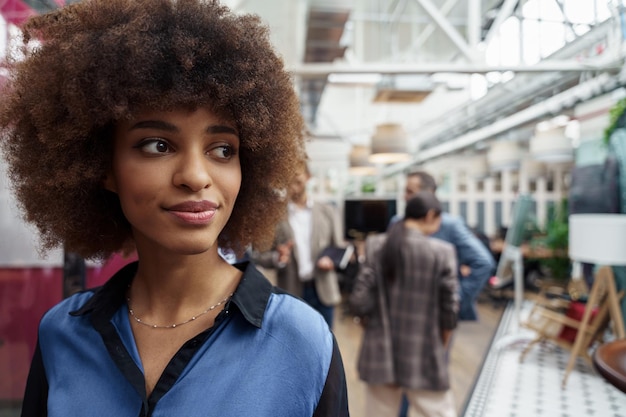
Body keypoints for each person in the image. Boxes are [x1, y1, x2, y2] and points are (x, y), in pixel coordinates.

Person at [0, 1, 349, 416]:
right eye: (157, 145)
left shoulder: (303, 342)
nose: (195, 176)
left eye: (222, 149)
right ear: (102, 167)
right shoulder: (62, 333)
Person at [349, 191, 459, 417]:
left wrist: (370, 327)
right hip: (424, 352)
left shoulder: (375, 245)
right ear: (430, 215)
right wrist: (442, 343)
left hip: (381, 353)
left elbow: (359, 301)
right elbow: (450, 311)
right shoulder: (441, 252)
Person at [252, 162, 345, 328]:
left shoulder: (328, 211)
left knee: (326, 346)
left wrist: (332, 260)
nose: (293, 179)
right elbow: (259, 255)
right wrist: (277, 257)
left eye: (297, 174)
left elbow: (338, 247)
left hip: (323, 290)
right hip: (292, 291)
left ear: (308, 176)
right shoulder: (274, 216)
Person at [401, 171, 495, 321]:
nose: (404, 196)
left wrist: (457, 299)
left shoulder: (449, 225)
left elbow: (483, 262)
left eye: (410, 191)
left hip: (437, 313)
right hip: (402, 310)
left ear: (429, 193)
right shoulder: (397, 223)